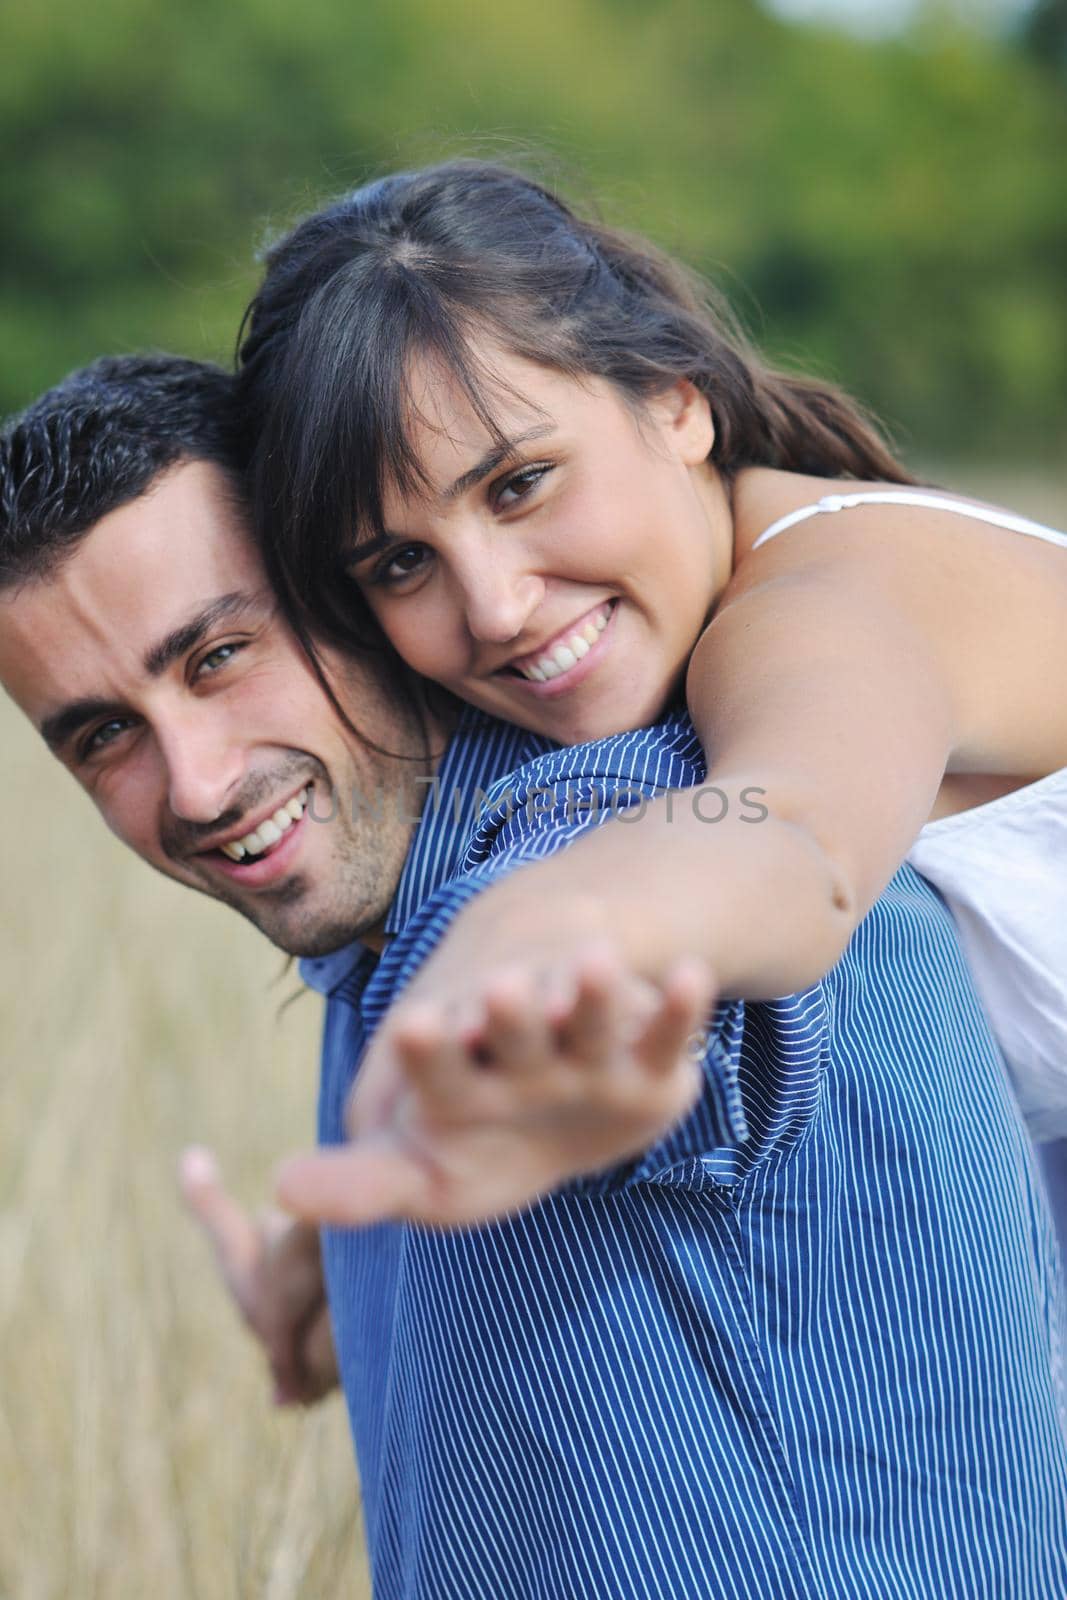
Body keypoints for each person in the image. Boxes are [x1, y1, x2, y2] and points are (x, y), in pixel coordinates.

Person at [3, 354, 1066, 1598]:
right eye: (103, 735)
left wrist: (563, 1012)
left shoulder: (618, 827)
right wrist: (360, 1236)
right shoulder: (385, 921)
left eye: (221, 655)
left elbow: (677, 983)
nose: (193, 784)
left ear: (351, 594)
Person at [233, 161, 1067, 1239]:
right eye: (399, 562)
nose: (492, 607)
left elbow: (789, 827)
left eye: (519, 483)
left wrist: (555, 920)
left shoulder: (822, 606)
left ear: (675, 403)